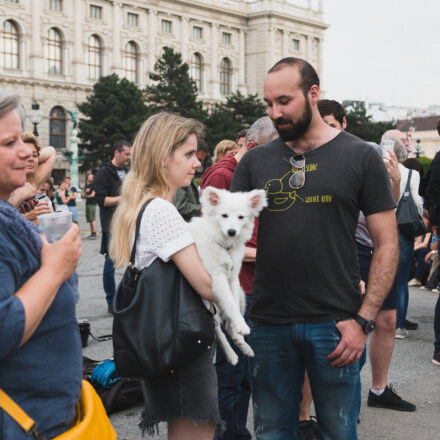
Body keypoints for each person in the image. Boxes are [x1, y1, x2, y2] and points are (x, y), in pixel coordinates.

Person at [230, 57, 398, 439]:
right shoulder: (256, 161)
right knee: (271, 431)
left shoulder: (359, 156)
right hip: (268, 323)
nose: (275, 112)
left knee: (339, 430)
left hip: (336, 325)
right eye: (269, 104)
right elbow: (225, 236)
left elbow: (387, 244)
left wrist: (364, 320)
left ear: (313, 94)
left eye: (284, 101)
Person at [109, 112, 223, 439]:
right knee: (195, 428)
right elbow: (205, 283)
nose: (197, 163)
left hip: (166, 341)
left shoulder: (144, 204)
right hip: (182, 343)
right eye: (188, 155)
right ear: (162, 158)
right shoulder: (161, 209)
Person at [319, 100, 416, 413]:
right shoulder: (315, 157)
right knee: (349, 324)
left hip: (379, 247)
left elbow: (387, 206)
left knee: (386, 320)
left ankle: (379, 388)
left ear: (344, 123)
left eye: (331, 125)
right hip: (350, 249)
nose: (326, 132)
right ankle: (339, 399)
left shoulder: (366, 152)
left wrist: (396, 181)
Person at [0, 92, 82, 439]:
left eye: (22, 138)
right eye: (8, 142)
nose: (26, 151)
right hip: (23, 421)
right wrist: (54, 270)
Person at [200, 116, 278, 440]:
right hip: (232, 290)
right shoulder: (224, 174)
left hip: (247, 288)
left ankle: (237, 433)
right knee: (230, 377)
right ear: (250, 145)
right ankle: (229, 435)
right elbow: (214, 240)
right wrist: (268, 256)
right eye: (271, 152)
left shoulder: (248, 174)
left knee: (243, 374)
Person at [380, 132, 424, 339]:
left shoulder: (377, 168)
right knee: (401, 279)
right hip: (402, 228)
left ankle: (376, 319)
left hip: (380, 226)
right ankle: (399, 326)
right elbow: (417, 202)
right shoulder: (411, 173)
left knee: (378, 274)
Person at [94, 139, 132, 313]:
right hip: (111, 225)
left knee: (133, 261)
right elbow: (101, 200)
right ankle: (112, 301)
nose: (129, 157)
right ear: (117, 153)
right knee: (110, 264)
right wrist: (123, 198)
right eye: (126, 154)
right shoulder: (104, 172)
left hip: (128, 222)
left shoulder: (127, 170)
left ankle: (130, 298)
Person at [20, 133, 56, 224]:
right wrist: (25, 217)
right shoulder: (5, 186)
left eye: (34, 155)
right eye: (25, 154)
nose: (31, 159)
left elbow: (51, 151)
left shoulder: (33, 182)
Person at [172, 138, 209, 221]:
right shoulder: (179, 175)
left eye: (200, 161)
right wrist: (207, 209)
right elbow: (180, 206)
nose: (198, 164)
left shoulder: (188, 174)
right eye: (198, 159)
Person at [82, 173, 97, 239]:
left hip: (92, 203)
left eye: (91, 177)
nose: (89, 178)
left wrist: (86, 196)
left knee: (92, 218)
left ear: (93, 178)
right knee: (90, 219)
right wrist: (85, 195)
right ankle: (92, 233)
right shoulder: (87, 186)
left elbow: (93, 195)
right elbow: (83, 195)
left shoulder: (94, 185)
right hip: (87, 203)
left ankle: (94, 233)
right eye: (88, 177)